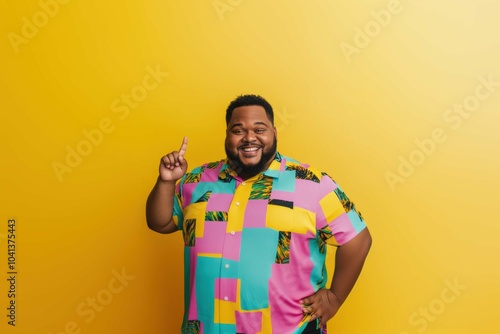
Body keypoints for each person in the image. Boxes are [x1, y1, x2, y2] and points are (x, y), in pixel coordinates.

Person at [146, 94, 372, 334]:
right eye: (238, 130)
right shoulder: (196, 181)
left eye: (259, 129)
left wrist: (334, 297)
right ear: (227, 135)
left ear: (274, 132)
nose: (249, 137)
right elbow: (160, 223)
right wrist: (166, 181)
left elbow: (358, 239)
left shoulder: (312, 183)